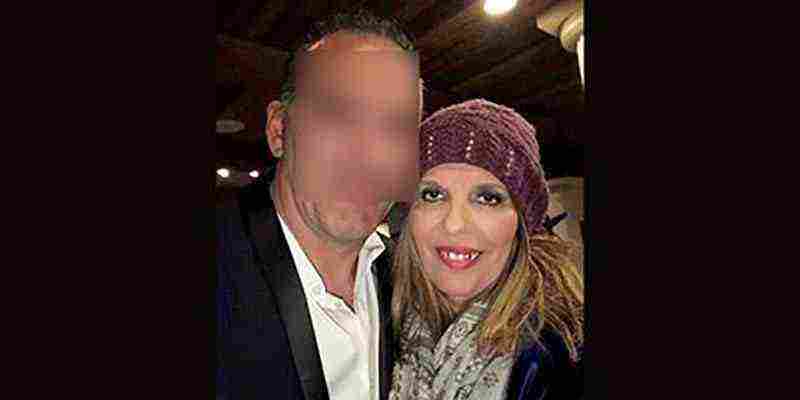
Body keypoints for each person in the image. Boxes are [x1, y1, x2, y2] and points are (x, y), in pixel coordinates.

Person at [217, 10, 421, 400]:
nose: (370, 156)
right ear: (279, 129)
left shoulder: (412, 282)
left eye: (396, 126)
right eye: (339, 115)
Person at [389, 99, 584, 400]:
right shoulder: (384, 327)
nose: (454, 225)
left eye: (488, 199)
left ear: (521, 224)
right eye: (432, 194)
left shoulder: (559, 359)